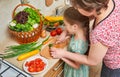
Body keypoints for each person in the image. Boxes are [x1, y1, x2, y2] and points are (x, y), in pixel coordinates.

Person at [50, 0, 120, 77]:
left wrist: (63, 54)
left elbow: (92, 61)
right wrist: (65, 32)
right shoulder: (112, 2)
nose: (76, 8)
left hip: (115, 65)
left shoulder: (100, 32)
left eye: (77, 7)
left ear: (90, 8)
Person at [51, 7, 90, 77]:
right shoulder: (83, 31)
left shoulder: (78, 46)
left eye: (65, 25)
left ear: (75, 27)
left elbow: (76, 66)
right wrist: (66, 36)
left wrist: (61, 55)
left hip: (75, 73)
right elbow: (71, 32)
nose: (65, 27)